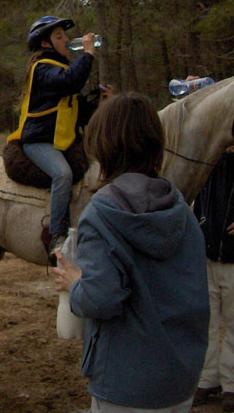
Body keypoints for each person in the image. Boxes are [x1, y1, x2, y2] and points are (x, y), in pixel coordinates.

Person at [54, 93, 209, 413]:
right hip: (181, 379)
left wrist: (75, 283)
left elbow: (101, 298)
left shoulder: (101, 213)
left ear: (103, 148)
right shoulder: (180, 206)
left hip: (127, 384)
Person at [7, 15, 99, 254]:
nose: (67, 40)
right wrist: (87, 54)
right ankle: (56, 234)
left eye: (65, 35)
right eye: (59, 36)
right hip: (38, 141)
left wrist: (101, 100)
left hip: (60, 142)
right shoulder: (43, 69)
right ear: (45, 43)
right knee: (62, 174)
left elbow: (80, 114)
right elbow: (70, 82)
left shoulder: (60, 71)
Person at [193, 146, 234, 410]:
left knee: (233, 323)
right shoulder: (209, 159)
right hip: (207, 253)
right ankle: (207, 379)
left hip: (233, 258)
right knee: (205, 321)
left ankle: (231, 384)